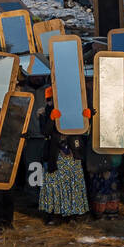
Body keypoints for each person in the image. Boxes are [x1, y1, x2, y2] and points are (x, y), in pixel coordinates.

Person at [37, 94, 88, 225]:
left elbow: (83, 131)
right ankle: (54, 215)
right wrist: (51, 119)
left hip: (72, 153)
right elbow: (45, 132)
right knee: (55, 185)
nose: (52, 101)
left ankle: (71, 215)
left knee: (72, 184)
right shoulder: (44, 113)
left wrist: (87, 118)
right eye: (50, 99)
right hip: (55, 154)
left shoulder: (74, 110)